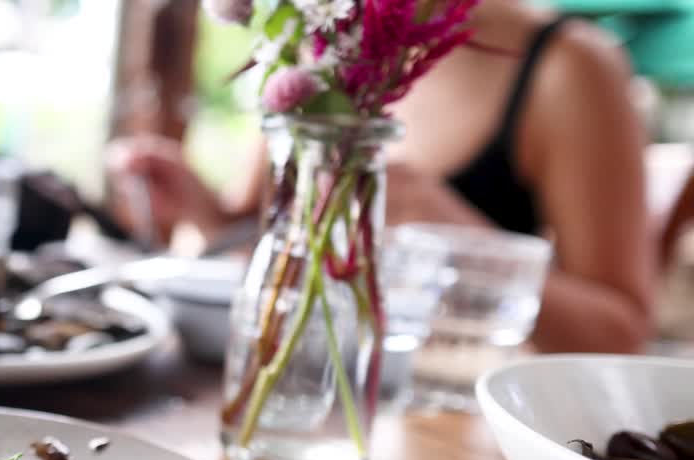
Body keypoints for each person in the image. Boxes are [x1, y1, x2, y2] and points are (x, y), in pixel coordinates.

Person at [108, 0, 654, 354]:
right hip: (296, 379)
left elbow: (621, 334)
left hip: (449, 422)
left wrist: (459, 238)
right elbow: (266, 247)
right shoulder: (314, 37)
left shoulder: (570, 66)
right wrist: (204, 213)